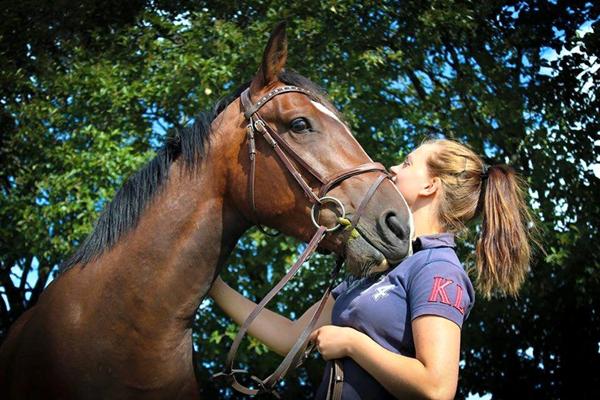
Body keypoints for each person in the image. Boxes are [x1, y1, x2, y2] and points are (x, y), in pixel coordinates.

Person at [208, 138, 536, 399]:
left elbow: (437, 389)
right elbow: (291, 337)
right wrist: (211, 284)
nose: (394, 168)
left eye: (407, 163)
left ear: (430, 186)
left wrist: (354, 344)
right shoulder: (376, 267)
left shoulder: (437, 267)